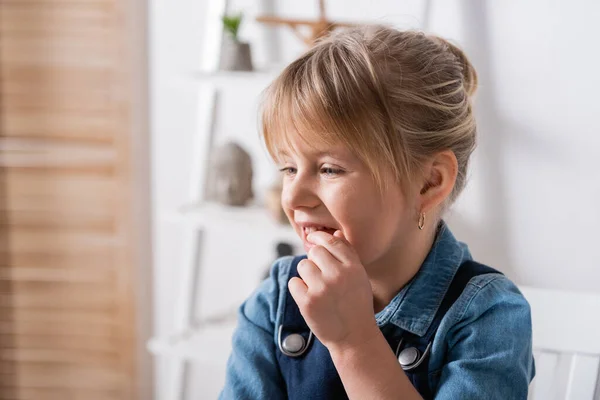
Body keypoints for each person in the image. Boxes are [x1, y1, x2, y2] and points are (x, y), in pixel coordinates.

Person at [219, 25, 535, 400]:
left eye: (328, 169)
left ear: (429, 183)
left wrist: (353, 341)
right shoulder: (275, 300)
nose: (295, 197)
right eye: (288, 168)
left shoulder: (488, 317)